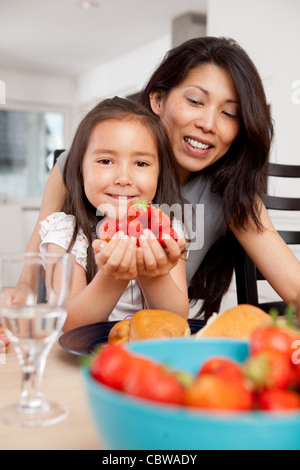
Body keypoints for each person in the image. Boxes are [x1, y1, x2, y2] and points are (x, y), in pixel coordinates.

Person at [22, 36, 300, 320]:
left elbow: (295, 289)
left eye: (229, 113)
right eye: (195, 101)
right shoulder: (75, 168)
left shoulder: (225, 196)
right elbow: (29, 284)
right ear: (157, 99)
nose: (208, 124)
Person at [39, 97, 189, 331]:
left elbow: (176, 320)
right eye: (106, 160)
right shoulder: (65, 232)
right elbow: (65, 323)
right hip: (80, 362)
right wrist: (112, 277)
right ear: (79, 171)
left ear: (159, 174)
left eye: (141, 163)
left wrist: (154, 276)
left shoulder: (168, 231)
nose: (123, 178)